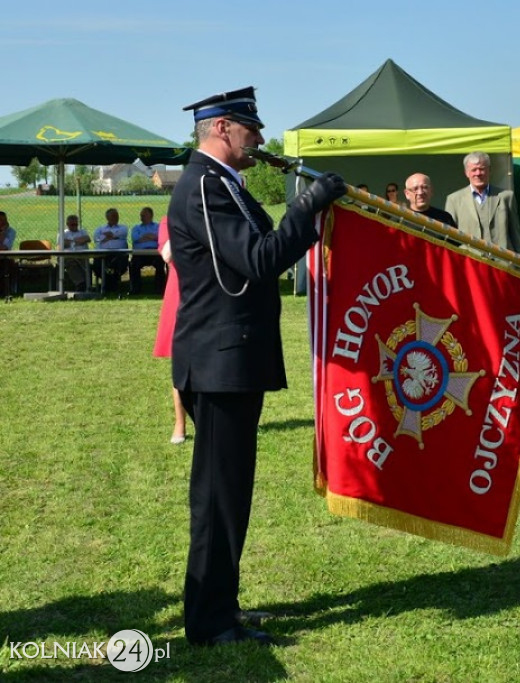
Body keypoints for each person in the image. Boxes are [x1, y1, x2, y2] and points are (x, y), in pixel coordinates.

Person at [169, 85, 346, 647]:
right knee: (219, 497)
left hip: (234, 360)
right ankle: (211, 620)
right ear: (222, 127)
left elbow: (262, 248)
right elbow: (259, 260)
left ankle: (223, 602)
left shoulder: (225, 185)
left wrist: (307, 214)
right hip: (219, 362)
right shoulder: (204, 186)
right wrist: (306, 206)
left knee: (231, 493)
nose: (261, 139)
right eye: (252, 128)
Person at [444, 151, 520, 253]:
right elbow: (450, 236)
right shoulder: (454, 200)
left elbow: (515, 234)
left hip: (502, 262)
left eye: (482, 169)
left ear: (489, 170)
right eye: (474, 170)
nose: (478, 173)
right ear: (466, 173)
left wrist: (518, 263)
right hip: (470, 263)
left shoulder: (506, 196)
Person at [153, 216, 186, 445]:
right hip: (180, 296)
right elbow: (167, 254)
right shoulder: (169, 221)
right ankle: (180, 423)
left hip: (212, 294)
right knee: (181, 364)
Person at [129, 207, 167, 295]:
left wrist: (144, 237)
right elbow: (135, 238)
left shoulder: (158, 226)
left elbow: (160, 238)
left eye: (144, 215)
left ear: (151, 215)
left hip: (155, 253)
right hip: (140, 253)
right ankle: (135, 289)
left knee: (160, 264)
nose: (141, 216)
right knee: (134, 264)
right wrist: (152, 237)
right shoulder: (136, 228)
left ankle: (159, 289)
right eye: (141, 215)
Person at [92, 208, 129, 291]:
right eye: (113, 216)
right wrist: (114, 237)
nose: (116, 218)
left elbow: (122, 233)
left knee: (118, 266)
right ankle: (110, 286)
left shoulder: (123, 227)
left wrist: (106, 236)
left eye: (116, 216)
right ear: (107, 218)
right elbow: (96, 238)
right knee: (98, 266)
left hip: (119, 255)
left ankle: (110, 286)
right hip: (102, 255)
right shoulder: (100, 228)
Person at [61, 214, 91, 291]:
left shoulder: (82, 231)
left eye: (76, 224)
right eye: (72, 224)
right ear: (67, 224)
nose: (75, 226)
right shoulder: (63, 233)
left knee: (87, 265)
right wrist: (76, 241)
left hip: (83, 256)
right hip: (68, 256)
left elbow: (87, 239)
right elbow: (60, 245)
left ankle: (87, 285)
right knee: (71, 263)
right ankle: (80, 283)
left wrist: (70, 242)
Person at [0, 211, 16, 297]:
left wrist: (2, 233)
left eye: (4, 220)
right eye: (1, 220)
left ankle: (6, 290)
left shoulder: (11, 232)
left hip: (5, 258)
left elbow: (4, 248)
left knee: (7, 265)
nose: (3, 222)